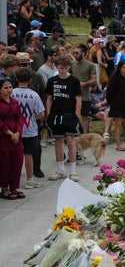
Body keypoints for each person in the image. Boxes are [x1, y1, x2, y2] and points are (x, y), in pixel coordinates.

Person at [45, 54, 82, 182]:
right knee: (58, 141)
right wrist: (48, 113)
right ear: (56, 66)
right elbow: (49, 98)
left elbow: (78, 98)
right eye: (61, 68)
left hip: (69, 115)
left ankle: (73, 171)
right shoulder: (52, 81)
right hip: (55, 114)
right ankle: (60, 170)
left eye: (66, 68)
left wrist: (77, 114)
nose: (63, 70)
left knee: (71, 140)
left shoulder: (74, 81)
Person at [12, 68, 45, 189]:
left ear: (16, 79)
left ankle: (13, 179)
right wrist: (33, 117)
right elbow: (41, 114)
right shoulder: (34, 95)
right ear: (30, 80)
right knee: (28, 154)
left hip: (14, 129)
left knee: (15, 155)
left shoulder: (12, 92)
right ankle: (30, 179)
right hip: (29, 129)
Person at [0, 77, 25, 199]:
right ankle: (4, 188)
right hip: (4, 137)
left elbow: (20, 118)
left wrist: (18, 133)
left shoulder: (15, 102)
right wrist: (10, 133)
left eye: (10, 87)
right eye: (5, 88)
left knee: (17, 161)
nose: (9, 90)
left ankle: (14, 187)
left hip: (16, 137)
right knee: (5, 163)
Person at [105, 60, 125, 152]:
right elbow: (109, 92)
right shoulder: (114, 78)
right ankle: (119, 144)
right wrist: (111, 103)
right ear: (119, 68)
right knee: (118, 124)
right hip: (117, 104)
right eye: (123, 67)